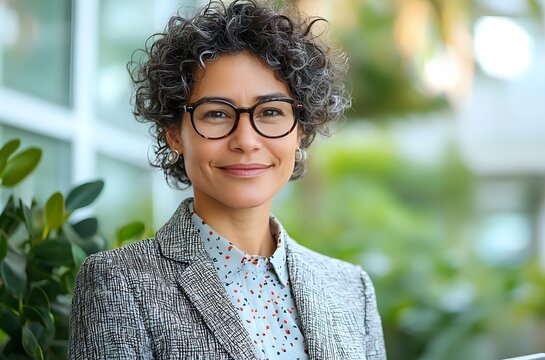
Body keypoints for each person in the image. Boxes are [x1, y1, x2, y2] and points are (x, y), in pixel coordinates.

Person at [68, 0, 386, 359]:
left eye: (270, 112)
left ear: (300, 131)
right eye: (217, 113)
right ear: (174, 133)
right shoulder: (118, 281)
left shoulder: (351, 289)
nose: (246, 141)